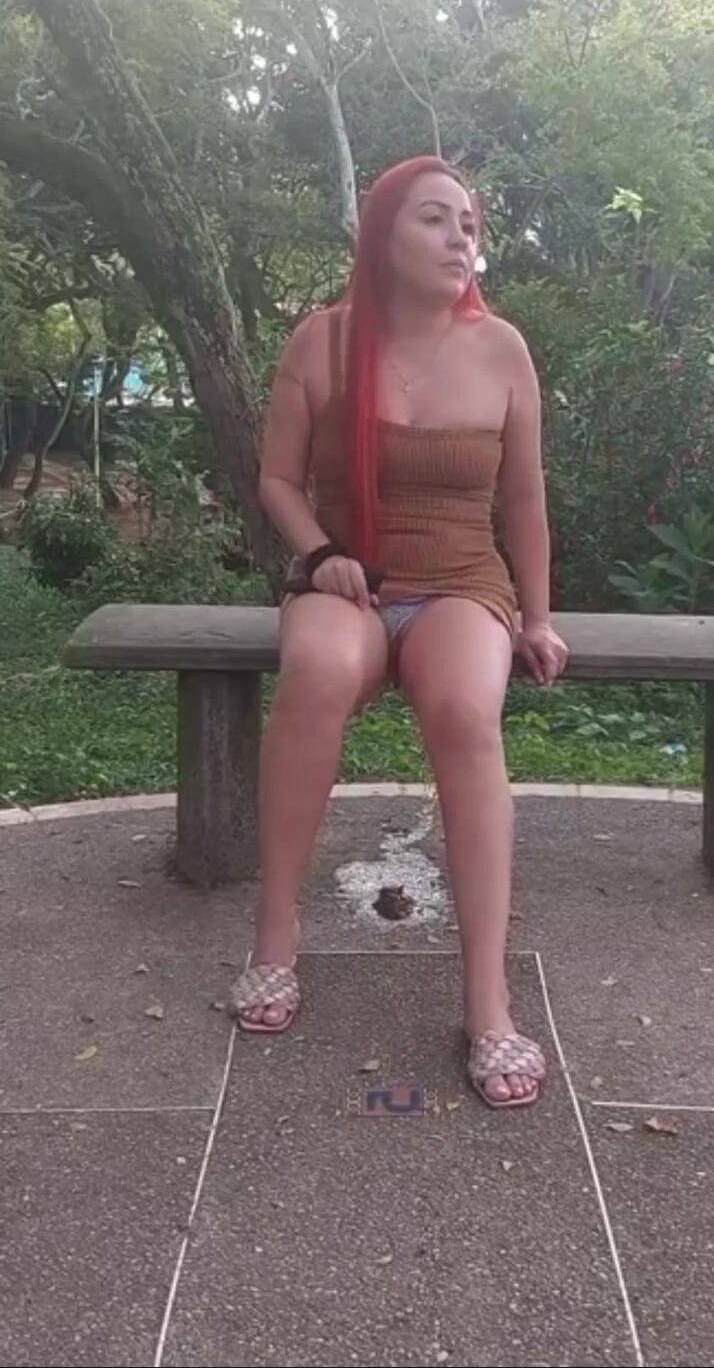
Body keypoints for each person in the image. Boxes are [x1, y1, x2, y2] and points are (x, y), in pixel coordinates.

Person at [229, 155, 569, 1108]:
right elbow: (278, 479)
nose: (462, 237)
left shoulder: (501, 349)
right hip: (349, 575)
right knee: (316, 672)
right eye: (436, 218)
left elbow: (525, 500)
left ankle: (488, 999)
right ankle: (274, 937)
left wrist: (538, 616)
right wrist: (319, 549)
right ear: (383, 235)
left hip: (461, 581)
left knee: (466, 710)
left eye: (470, 224)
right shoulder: (323, 341)